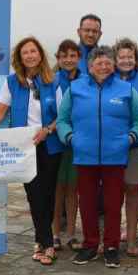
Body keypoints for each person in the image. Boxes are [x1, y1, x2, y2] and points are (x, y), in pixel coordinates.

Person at [0, 37, 64, 265]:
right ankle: (46, 242)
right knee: (33, 195)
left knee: (48, 194)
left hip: (49, 144)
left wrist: (47, 130)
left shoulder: (53, 81)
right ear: (19, 57)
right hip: (23, 146)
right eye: (25, 52)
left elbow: (62, 116)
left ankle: (43, 242)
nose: (30, 55)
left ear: (40, 54)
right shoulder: (11, 82)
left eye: (33, 51)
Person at [57, 46, 138, 268]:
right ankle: (90, 245)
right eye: (99, 63)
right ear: (90, 66)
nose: (103, 66)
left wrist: (131, 138)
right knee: (87, 203)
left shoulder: (126, 89)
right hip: (84, 157)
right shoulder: (75, 89)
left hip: (116, 156)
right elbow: (63, 119)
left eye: (107, 62)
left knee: (114, 204)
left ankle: (112, 246)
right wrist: (70, 138)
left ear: (113, 65)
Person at [114, 38, 138, 256]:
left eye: (130, 56)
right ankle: (112, 237)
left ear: (136, 60)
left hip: (136, 147)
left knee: (134, 191)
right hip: (111, 147)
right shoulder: (105, 80)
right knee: (112, 194)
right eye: (122, 57)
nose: (126, 60)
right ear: (115, 60)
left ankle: (132, 239)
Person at [52, 39, 81, 250]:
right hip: (55, 142)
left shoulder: (86, 81)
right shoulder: (50, 81)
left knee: (73, 189)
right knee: (57, 190)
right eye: (64, 56)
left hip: (78, 144)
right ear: (58, 59)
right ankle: (54, 233)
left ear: (78, 58)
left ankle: (71, 233)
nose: (68, 60)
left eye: (72, 55)